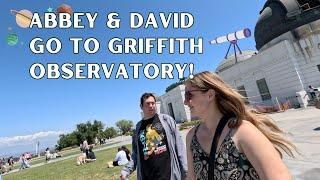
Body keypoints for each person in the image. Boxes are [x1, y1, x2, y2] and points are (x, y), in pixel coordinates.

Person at [184, 71, 297, 180]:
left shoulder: (242, 131)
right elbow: (191, 177)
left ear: (210, 95)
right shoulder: (191, 136)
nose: (185, 102)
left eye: (189, 95)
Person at [120, 93, 188, 180]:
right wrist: (126, 170)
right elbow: (136, 154)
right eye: (147, 104)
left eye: (153, 103)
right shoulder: (138, 128)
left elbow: (179, 146)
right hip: (147, 175)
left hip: (168, 175)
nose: (151, 106)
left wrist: (186, 170)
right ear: (141, 106)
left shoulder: (166, 120)